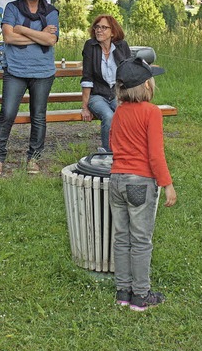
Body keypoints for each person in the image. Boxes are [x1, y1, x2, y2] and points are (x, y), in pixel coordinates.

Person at [109, 56, 177, 311]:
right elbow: (155, 154)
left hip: (116, 180)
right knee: (140, 240)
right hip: (140, 183)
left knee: (122, 238)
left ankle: (123, 292)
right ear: (147, 86)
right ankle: (140, 295)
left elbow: (113, 143)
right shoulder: (152, 112)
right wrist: (167, 183)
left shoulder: (118, 112)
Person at [0, 0, 59, 176]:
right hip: (16, 70)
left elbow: (51, 40)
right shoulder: (12, 8)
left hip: (43, 72)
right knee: (7, 113)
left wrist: (23, 30)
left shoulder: (51, 11)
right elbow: (8, 38)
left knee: (38, 116)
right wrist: (39, 35)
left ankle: (34, 159)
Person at [80, 15, 131, 151]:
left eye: (104, 27)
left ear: (113, 32)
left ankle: (127, 151)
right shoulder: (90, 46)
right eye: (97, 27)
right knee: (109, 116)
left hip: (117, 94)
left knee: (127, 114)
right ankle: (107, 154)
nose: (99, 30)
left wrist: (126, 98)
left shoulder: (122, 46)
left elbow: (128, 73)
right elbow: (87, 78)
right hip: (97, 95)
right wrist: (85, 107)